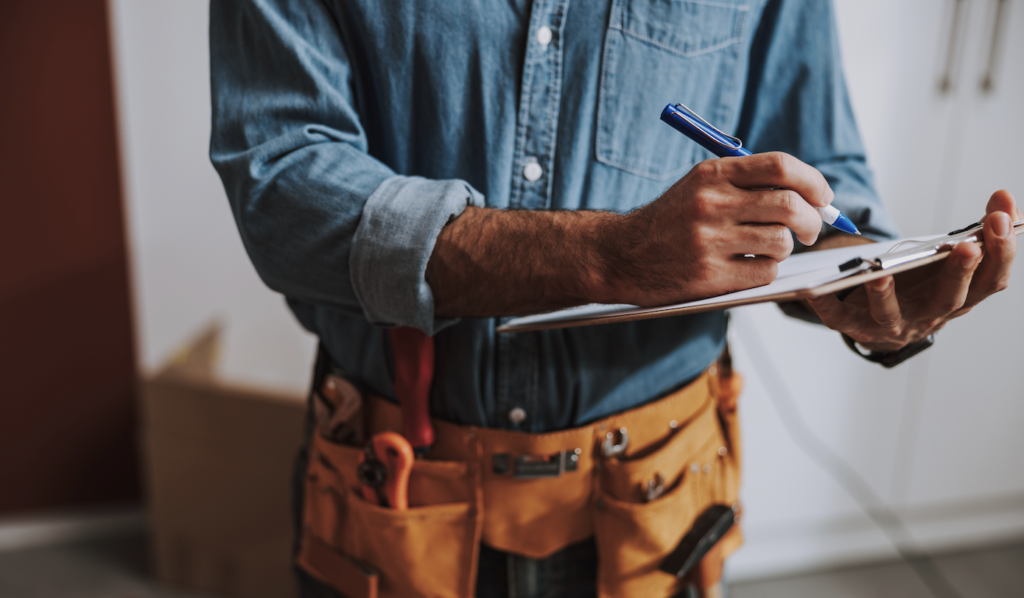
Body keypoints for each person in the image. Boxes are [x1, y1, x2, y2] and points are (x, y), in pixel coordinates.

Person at [209, 1, 1020, 596]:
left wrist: (858, 279)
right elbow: (282, 188)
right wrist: (609, 256)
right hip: (394, 492)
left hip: (657, 512)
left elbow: (819, 183)